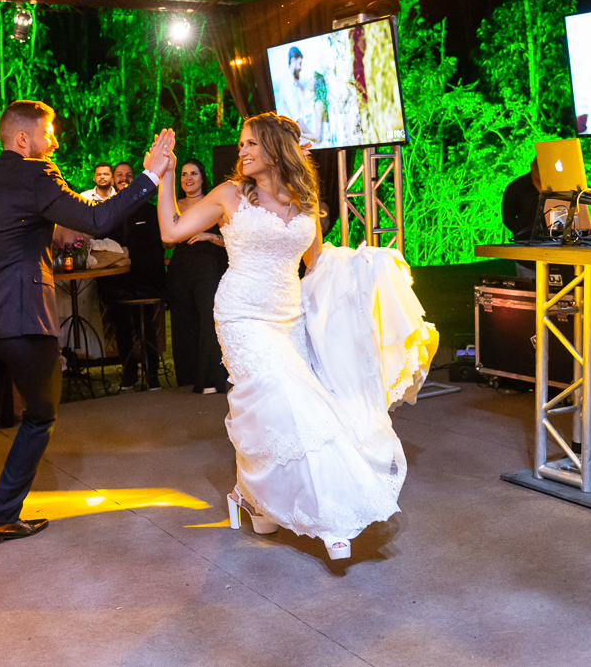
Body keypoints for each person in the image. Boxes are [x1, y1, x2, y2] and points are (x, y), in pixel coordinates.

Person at [156, 113, 436, 560]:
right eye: (241, 143)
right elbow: (171, 230)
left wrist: (366, 268)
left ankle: (249, 497)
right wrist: (166, 175)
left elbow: (316, 263)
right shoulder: (229, 195)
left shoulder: (303, 199)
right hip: (242, 316)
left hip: (290, 318)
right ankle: (332, 518)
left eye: (250, 143)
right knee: (293, 405)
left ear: (275, 148)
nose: (241, 150)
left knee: (269, 414)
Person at [0, 100, 175, 575]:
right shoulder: (38, 176)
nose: (55, 141)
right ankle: (0, 517)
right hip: (25, 320)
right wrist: (150, 177)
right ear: (22, 139)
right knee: (40, 416)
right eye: (48, 132)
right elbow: (99, 221)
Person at [98, 161, 166, 390]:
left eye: (128, 175)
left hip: (144, 282)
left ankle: (152, 374)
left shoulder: (149, 209)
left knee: (145, 327)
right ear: (114, 181)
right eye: (119, 175)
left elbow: (157, 248)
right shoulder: (107, 212)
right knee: (121, 329)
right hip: (116, 283)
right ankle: (129, 375)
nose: (124, 178)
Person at [165, 158, 228, 394]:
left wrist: (207, 236)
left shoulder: (213, 204)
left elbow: (231, 239)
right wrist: (177, 234)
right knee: (182, 322)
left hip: (208, 266)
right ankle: (187, 378)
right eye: (183, 174)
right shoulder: (174, 204)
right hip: (181, 268)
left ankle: (210, 378)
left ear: (202, 177)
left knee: (209, 320)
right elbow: (165, 242)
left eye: (193, 174)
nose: (188, 178)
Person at [277, 46, 316, 143]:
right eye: (300, 63)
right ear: (293, 60)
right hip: (291, 139)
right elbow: (296, 118)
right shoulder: (286, 83)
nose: (301, 68)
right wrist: (313, 136)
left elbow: (307, 96)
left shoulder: (294, 81)